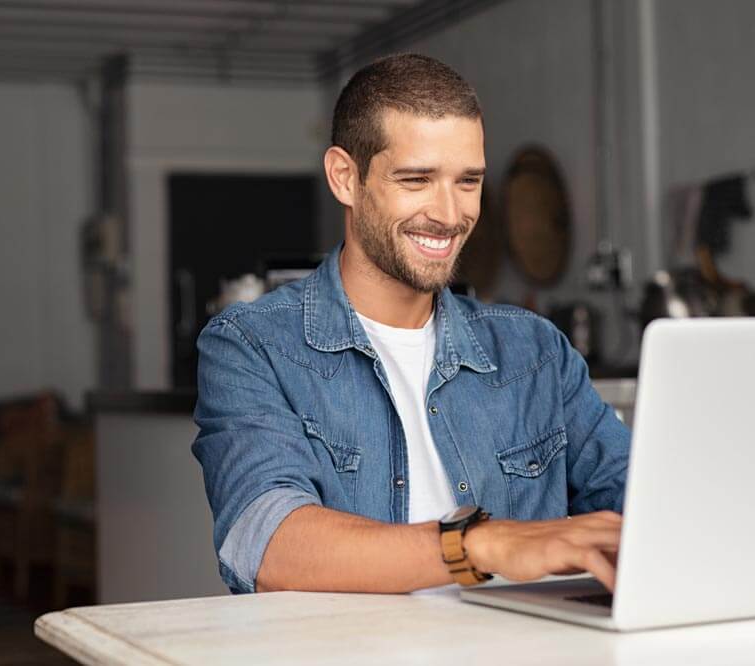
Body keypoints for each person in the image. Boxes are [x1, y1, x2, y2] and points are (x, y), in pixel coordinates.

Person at [192, 53, 630, 596]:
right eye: (417, 179)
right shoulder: (252, 346)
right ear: (345, 178)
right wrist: (480, 545)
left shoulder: (535, 350)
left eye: (467, 181)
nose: (449, 213)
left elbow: (648, 503)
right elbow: (269, 545)